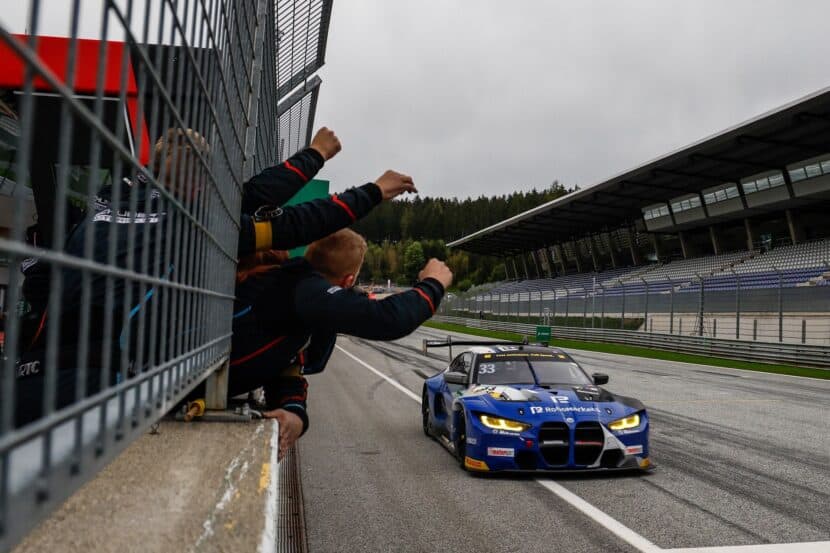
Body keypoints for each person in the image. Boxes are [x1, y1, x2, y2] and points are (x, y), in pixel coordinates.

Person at [11, 127, 416, 427]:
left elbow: (255, 194)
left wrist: (313, 155)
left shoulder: (108, 204)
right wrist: (374, 190)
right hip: (91, 389)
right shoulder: (195, 226)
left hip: (30, 370)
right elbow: (296, 221)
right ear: (200, 180)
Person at [200, 229, 453, 457]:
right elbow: (387, 320)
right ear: (348, 280)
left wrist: (294, 409)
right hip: (181, 388)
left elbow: (285, 365)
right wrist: (433, 284)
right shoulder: (300, 289)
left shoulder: (294, 292)